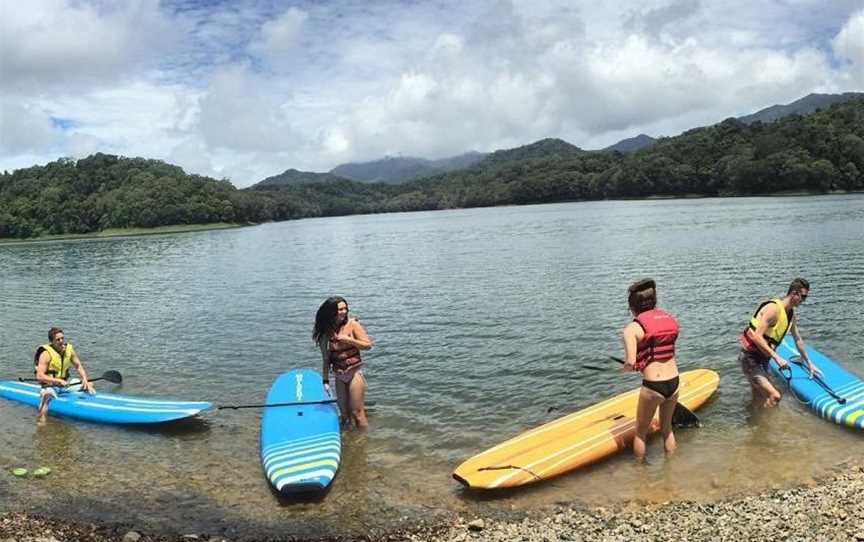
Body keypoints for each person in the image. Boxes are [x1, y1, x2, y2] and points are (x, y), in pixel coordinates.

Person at [621, 279, 680, 461]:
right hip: (675, 382)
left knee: (640, 432)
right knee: (666, 428)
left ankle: (640, 476)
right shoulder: (670, 319)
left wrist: (626, 368)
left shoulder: (632, 329)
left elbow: (631, 362)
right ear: (654, 301)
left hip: (653, 386)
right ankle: (671, 469)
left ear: (632, 306)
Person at [738, 278, 820, 407]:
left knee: (758, 396)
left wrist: (809, 363)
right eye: (803, 296)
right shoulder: (773, 309)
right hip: (750, 359)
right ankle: (764, 426)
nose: (804, 301)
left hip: (763, 359)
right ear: (794, 293)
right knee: (775, 396)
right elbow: (757, 337)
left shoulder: (791, 314)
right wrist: (777, 357)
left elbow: (798, 339)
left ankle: (753, 419)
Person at [313, 297, 373, 430]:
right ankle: (348, 440)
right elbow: (325, 359)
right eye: (340, 309)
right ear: (331, 312)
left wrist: (349, 340)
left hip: (354, 373)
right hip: (339, 375)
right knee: (345, 415)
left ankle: (363, 444)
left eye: (345, 309)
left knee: (357, 413)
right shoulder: (326, 333)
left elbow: (368, 345)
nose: (344, 312)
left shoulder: (353, 325)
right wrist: (325, 381)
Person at [34, 327, 95, 421]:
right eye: (58, 339)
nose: (61, 341)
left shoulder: (69, 350)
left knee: (89, 384)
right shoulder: (46, 354)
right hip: (50, 385)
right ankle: (42, 421)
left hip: (65, 384)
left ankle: (89, 406)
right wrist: (58, 380)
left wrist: (85, 379)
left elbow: (78, 365)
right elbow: (39, 376)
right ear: (52, 341)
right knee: (47, 396)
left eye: (62, 338)